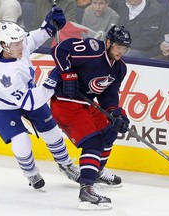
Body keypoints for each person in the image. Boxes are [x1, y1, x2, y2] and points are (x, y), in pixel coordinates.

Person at [0, 8, 80, 190]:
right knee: (21, 143)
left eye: (20, 42)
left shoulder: (14, 46)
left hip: (27, 94)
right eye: (17, 44)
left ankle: (66, 165)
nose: (22, 46)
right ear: (4, 45)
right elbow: (30, 102)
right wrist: (52, 81)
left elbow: (32, 39)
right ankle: (31, 173)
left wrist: (49, 27)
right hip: (2, 106)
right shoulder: (6, 74)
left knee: (52, 132)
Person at [50, 25, 131, 210]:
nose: (121, 52)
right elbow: (59, 49)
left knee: (111, 129)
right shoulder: (92, 49)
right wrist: (68, 75)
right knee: (93, 142)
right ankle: (87, 191)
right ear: (108, 43)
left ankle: (96, 171)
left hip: (86, 104)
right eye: (118, 47)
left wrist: (116, 113)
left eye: (124, 48)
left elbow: (108, 95)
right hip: (65, 103)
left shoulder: (119, 68)